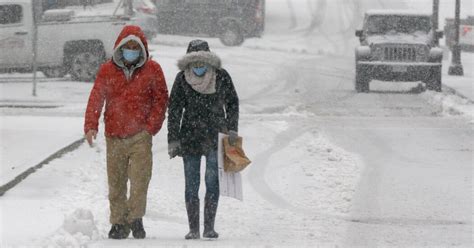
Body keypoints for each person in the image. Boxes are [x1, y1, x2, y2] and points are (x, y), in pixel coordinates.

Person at [84, 25, 168, 239]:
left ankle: (135, 218)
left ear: (142, 49)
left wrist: (151, 127)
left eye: (135, 47)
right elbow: (96, 97)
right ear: (120, 48)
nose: (131, 50)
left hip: (140, 135)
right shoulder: (107, 70)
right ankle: (118, 222)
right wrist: (91, 124)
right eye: (128, 46)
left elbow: (161, 99)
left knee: (140, 180)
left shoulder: (153, 70)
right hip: (114, 135)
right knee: (116, 182)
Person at [167, 40, 239, 240]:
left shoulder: (222, 76)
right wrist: (173, 140)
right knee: (192, 184)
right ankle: (193, 229)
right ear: (188, 62)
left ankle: (208, 227)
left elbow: (232, 102)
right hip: (190, 137)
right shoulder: (181, 79)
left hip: (216, 137)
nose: (198, 65)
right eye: (194, 61)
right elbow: (174, 110)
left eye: (202, 61)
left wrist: (232, 130)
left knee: (212, 182)